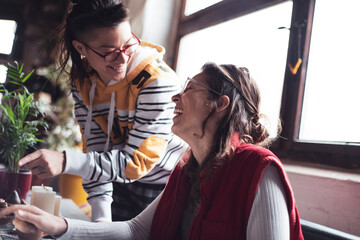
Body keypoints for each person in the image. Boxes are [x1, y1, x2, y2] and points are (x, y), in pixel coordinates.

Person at [1, 62, 304, 239]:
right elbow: (136, 230)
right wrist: (55, 224)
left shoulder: (259, 169)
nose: (175, 96)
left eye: (189, 89)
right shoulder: (187, 168)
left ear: (220, 104)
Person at [17, 0, 187, 222]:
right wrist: (100, 222)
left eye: (128, 44)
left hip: (164, 184)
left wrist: (66, 161)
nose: (123, 58)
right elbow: (96, 151)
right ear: (81, 48)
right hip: (116, 178)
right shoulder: (83, 80)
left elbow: (135, 164)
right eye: (109, 52)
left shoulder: (157, 82)